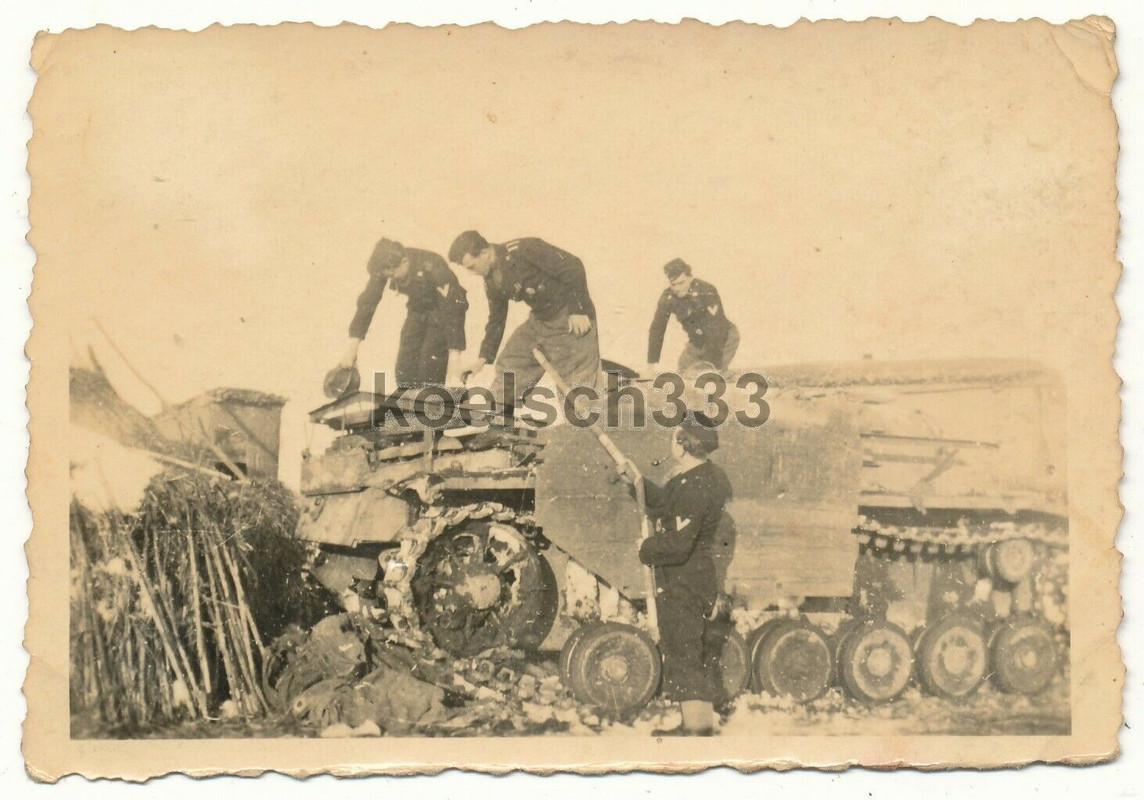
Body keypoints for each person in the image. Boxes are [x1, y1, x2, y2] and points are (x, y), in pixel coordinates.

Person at [617, 415, 733, 736]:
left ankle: (697, 731)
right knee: (679, 648)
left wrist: (647, 547)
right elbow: (666, 503)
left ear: (683, 446)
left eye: (673, 439)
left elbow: (680, 544)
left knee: (685, 652)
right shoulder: (691, 477)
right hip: (679, 579)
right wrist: (637, 481)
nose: (670, 444)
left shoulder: (699, 485)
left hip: (686, 580)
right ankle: (691, 725)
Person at [448, 230, 599, 409]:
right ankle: (497, 420)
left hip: (570, 318)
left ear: (484, 253)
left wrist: (578, 309)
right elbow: (496, 318)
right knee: (511, 361)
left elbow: (573, 266)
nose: (472, 273)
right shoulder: (491, 278)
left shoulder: (524, 249)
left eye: (472, 267)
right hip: (541, 320)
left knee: (577, 390)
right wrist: (482, 360)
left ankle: (583, 431)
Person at [340, 238, 469, 388]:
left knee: (429, 369)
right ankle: (406, 406)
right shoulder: (386, 265)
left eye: (392, 275)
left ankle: (431, 404)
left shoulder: (433, 265)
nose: (390, 279)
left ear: (404, 262)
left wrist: (455, 357)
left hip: (443, 310)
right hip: (417, 308)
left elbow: (453, 308)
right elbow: (368, 301)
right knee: (404, 368)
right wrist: (352, 347)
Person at [646, 258, 740, 375]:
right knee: (682, 374)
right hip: (697, 342)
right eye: (673, 284)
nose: (677, 289)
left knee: (707, 375)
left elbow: (716, 330)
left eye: (681, 283)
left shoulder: (706, 290)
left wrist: (709, 366)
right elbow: (657, 329)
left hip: (724, 338)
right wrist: (651, 365)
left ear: (690, 278)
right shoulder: (667, 297)